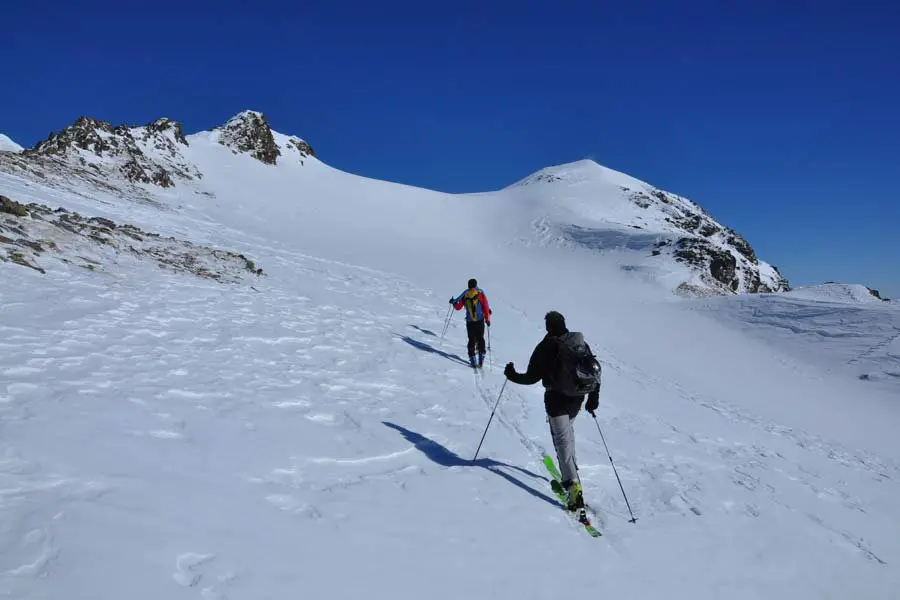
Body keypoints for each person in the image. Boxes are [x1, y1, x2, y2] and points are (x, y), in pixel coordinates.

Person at [503, 311, 600, 513]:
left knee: (561, 440)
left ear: (548, 327)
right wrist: (593, 397)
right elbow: (592, 368)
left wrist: (511, 374)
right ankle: (573, 472)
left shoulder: (546, 346)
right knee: (568, 434)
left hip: (556, 400)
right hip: (577, 398)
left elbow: (530, 378)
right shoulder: (578, 342)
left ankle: (573, 487)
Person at [449, 278, 491, 368]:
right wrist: (487, 319)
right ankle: (481, 357)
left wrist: (453, 303)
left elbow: (458, 307)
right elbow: (486, 307)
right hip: (479, 321)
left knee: (471, 339)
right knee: (480, 338)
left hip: (470, 321)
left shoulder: (465, 294)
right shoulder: (480, 293)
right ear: (476, 285)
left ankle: (472, 359)